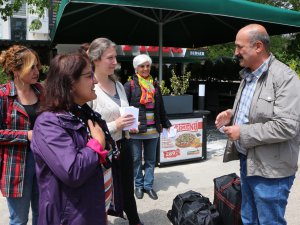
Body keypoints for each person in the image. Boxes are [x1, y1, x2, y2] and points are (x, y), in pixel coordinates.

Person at [215, 24, 300, 225]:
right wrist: (231, 114)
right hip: (248, 160)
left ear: (258, 46)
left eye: (239, 47)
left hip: (272, 170)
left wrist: (241, 131)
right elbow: (256, 110)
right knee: (248, 217)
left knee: (269, 221)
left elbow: (287, 126)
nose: (235, 53)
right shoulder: (248, 75)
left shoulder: (285, 78)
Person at [30, 53, 123, 225]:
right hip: (70, 217)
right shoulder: (48, 123)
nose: (95, 81)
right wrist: (96, 145)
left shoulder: (83, 112)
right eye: (89, 76)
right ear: (70, 82)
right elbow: (72, 171)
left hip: (91, 209)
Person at [87, 38, 143, 225]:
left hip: (124, 145)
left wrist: (129, 125)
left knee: (127, 189)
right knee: (101, 195)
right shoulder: (89, 88)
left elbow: (122, 115)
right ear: (95, 59)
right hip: (103, 152)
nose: (115, 62)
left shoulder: (118, 85)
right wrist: (115, 125)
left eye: (115, 57)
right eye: (110, 58)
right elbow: (87, 130)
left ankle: (135, 221)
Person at [0, 45, 43, 225]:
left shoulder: (42, 91)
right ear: (15, 70)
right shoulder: (3, 94)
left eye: (37, 66)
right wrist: (26, 135)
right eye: (31, 66)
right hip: (15, 165)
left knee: (44, 217)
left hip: (44, 161)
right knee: (18, 220)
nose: (37, 71)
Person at [124, 54, 172, 200]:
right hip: (136, 130)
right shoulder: (130, 85)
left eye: (148, 66)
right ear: (136, 68)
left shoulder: (155, 85)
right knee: (136, 160)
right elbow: (124, 108)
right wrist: (127, 126)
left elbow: (161, 108)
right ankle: (138, 186)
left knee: (151, 161)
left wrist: (166, 124)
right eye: (142, 66)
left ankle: (148, 186)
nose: (145, 69)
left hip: (153, 131)